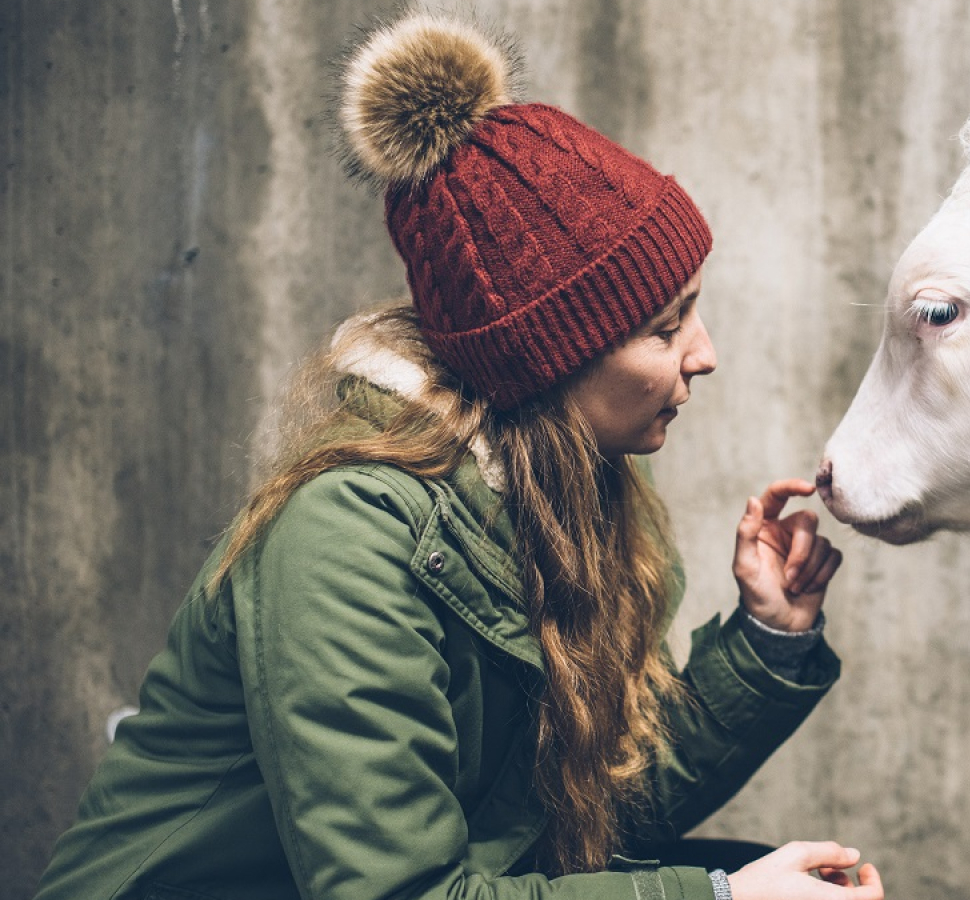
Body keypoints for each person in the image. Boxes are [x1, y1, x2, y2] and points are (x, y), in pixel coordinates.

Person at [33, 12, 883, 900]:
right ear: (549, 357)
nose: (703, 352)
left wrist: (765, 641)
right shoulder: (347, 538)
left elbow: (574, 822)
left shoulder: (567, 496)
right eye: (664, 327)